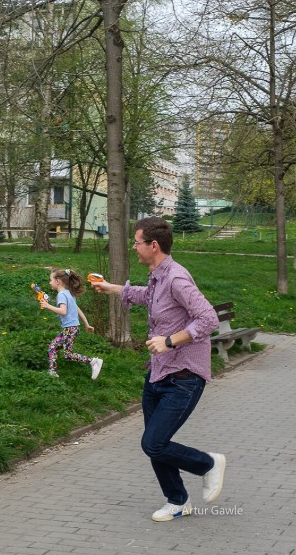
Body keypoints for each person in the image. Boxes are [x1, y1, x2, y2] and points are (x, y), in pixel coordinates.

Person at [92, 216, 225, 522]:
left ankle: (208, 464)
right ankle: (177, 500)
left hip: (184, 377)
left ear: (153, 245)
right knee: (156, 443)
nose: (133, 247)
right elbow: (147, 297)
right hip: (159, 373)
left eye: (136, 242)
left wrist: (170, 341)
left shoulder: (177, 278)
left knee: (153, 443)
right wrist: (112, 288)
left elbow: (208, 319)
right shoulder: (157, 276)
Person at [40, 268, 103, 380]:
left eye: (51, 280)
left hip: (70, 329)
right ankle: (52, 371)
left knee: (67, 354)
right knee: (53, 347)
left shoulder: (61, 295)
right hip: (72, 328)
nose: (50, 282)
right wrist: (86, 324)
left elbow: (63, 312)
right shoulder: (69, 293)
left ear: (58, 281)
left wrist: (48, 306)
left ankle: (93, 361)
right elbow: (78, 310)